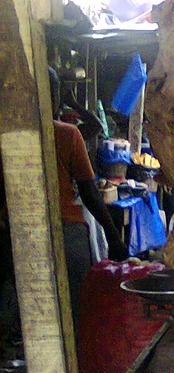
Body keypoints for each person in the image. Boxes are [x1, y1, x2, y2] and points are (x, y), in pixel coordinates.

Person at [49, 67, 128, 318]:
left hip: (20, 231)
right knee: (76, 307)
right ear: (55, 96)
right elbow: (89, 192)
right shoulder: (66, 133)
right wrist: (113, 236)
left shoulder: (10, 136)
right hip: (67, 228)